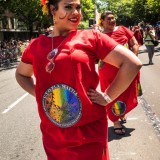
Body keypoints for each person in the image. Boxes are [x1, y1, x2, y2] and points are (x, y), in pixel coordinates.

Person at [15, 0, 142, 159]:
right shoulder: (35, 46)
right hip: (54, 134)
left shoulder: (91, 37)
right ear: (53, 9)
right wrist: (39, 93)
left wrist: (108, 96)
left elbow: (132, 63)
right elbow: (21, 74)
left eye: (78, 7)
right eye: (68, 7)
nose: (76, 12)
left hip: (89, 131)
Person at [96, 11, 140, 135]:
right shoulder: (99, 35)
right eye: (108, 19)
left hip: (126, 69)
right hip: (107, 71)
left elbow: (134, 44)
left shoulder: (123, 29)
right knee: (110, 93)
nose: (112, 20)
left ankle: (121, 111)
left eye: (113, 18)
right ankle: (115, 121)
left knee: (125, 91)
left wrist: (132, 60)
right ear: (102, 21)